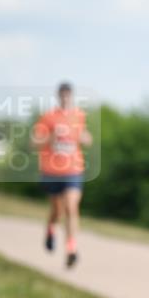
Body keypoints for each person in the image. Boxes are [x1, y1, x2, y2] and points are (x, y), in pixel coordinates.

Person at [32, 82, 92, 268]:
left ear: (71, 96)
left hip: (73, 169)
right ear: (58, 96)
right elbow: (34, 143)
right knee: (57, 211)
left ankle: (71, 249)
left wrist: (83, 137)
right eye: (62, 95)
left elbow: (87, 139)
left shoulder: (79, 115)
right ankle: (50, 229)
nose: (65, 98)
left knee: (71, 208)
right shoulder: (48, 117)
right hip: (52, 170)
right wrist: (52, 137)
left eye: (68, 95)